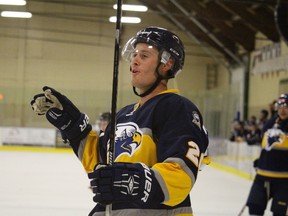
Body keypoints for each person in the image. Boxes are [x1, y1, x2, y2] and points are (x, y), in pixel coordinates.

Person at [30, 26, 209, 216]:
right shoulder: (124, 114)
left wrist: (137, 180)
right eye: (134, 54)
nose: (135, 60)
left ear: (167, 64)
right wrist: (75, 129)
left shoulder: (176, 107)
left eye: (144, 56)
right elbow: (100, 165)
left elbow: (181, 176)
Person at [246, 93, 288, 216]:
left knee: (279, 213)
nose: (282, 109)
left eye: (286, 106)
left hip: (284, 180)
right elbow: (267, 148)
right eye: (280, 106)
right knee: (254, 208)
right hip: (262, 176)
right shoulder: (270, 123)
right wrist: (261, 160)